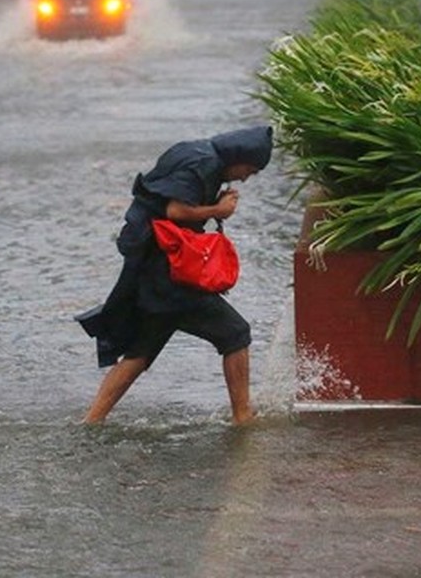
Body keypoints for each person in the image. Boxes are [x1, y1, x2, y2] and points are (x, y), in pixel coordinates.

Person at [77, 126, 274, 426]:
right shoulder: (204, 163)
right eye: (251, 169)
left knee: (140, 352)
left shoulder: (196, 152)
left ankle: (92, 420)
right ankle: (243, 416)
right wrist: (218, 209)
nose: (247, 177)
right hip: (169, 274)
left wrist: (210, 203)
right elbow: (175, 210)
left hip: (153, 269)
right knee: (235, 333)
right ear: (240, 157)